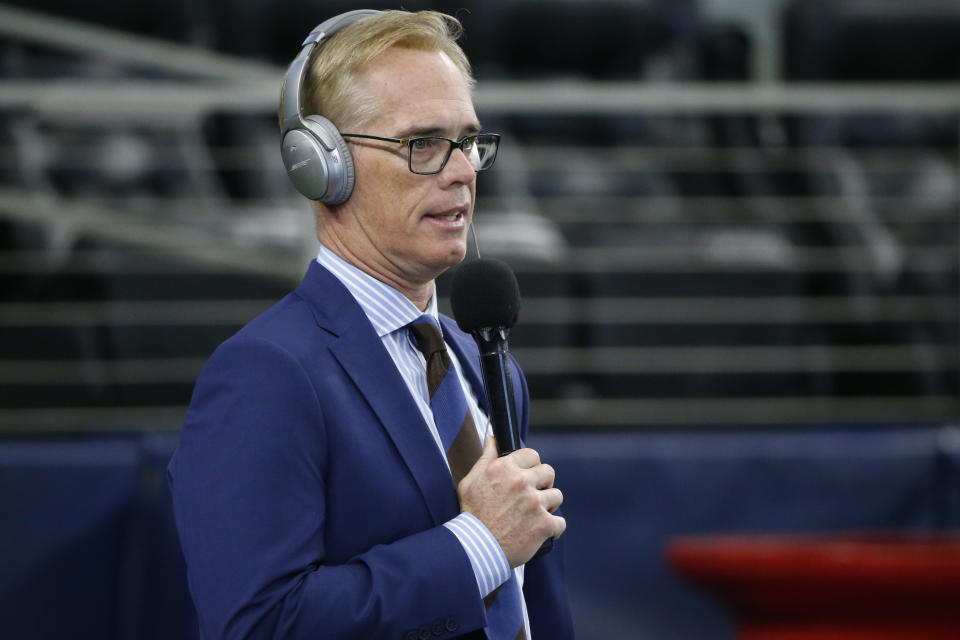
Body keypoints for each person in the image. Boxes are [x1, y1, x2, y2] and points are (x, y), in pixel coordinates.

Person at [168, 8, 573, 640]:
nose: (463, 169)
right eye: (424, 143)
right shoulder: (267, 373)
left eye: (468, 141)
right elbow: (259, 625)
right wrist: (478, 543)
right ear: (321, 164)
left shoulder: (484, 359)